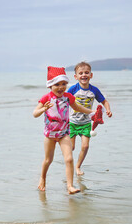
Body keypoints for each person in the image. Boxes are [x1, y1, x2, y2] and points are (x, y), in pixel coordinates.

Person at [33, 66, 95, 194]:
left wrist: (92, 112)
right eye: (57, 84)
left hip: (64, 134)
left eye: (63, 84)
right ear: (50, 85)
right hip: (50, 135)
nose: (61, 87)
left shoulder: (68, 97)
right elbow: (35, 113)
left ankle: (70, 186)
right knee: (48, 160)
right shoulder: (46, 98)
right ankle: (42, 178)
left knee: (69, 159)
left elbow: (78, 108)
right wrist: (43, 109)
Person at [67, 62, 112, 176]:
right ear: (75, 76)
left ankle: (77, 167)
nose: (83, 75)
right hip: (72, 122)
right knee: (71, 148)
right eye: (80, 73)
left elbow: (104, 101)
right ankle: (69, 164)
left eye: (86, 72)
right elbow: (63, 100)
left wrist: (108, 110)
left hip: (86, 123)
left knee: (85, 146)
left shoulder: (94, 90)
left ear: (91, 75)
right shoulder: (73, 89)